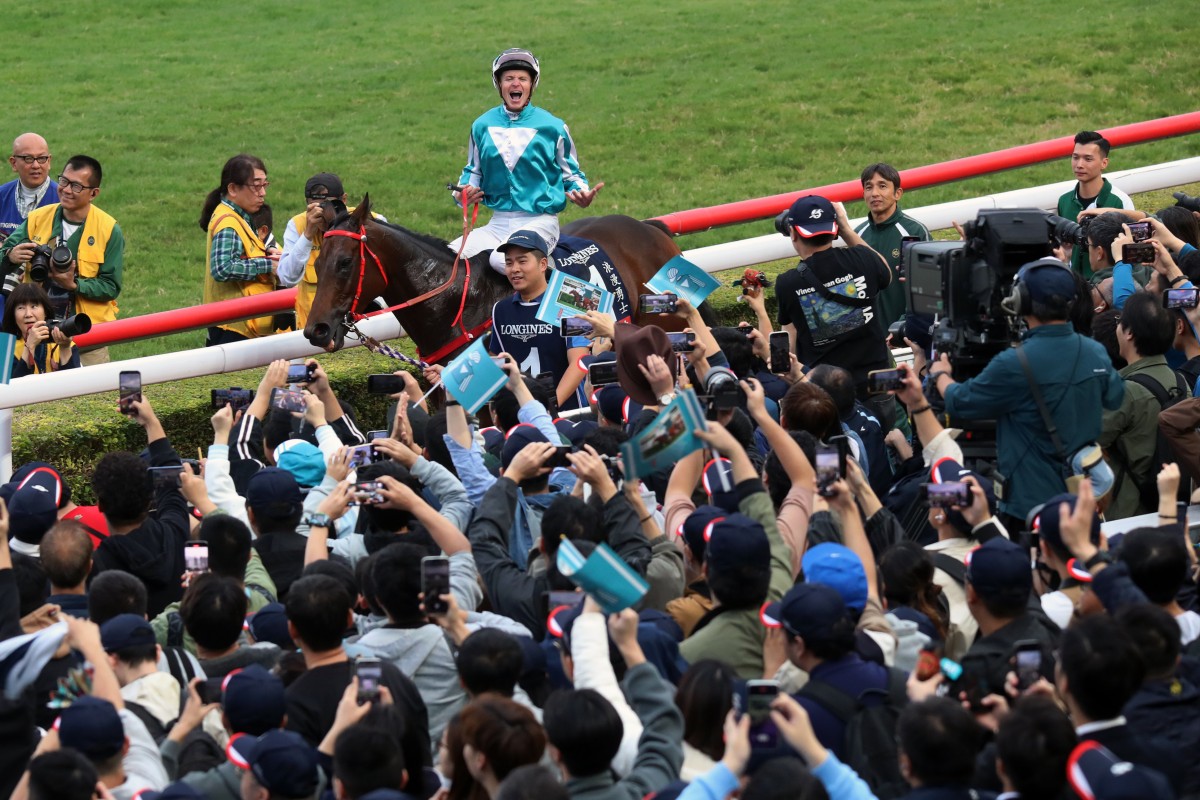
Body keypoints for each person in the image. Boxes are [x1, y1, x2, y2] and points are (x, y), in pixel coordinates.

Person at [933, 258, 1124, 524]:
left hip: (1028, 508)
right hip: (1082, 502)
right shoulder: (1094, 351)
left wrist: (940, 374)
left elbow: (960, 402)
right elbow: (1115, 397)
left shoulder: (1013, 363)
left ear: (1020, 301)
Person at [452, 48, 602, 274]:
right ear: (499, 84)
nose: (515, 84)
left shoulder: (553, 126)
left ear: (532, 85)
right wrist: (461, 193)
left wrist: (582, 193)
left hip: (540, 222)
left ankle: (562, 288)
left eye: (522, 78)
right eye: (509, 78)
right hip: (497, 224)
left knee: (502, 261)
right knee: (448, 258)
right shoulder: (481, 125)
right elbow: (473, 172)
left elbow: (571, 176)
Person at [0, 154, 123, 365]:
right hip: (36, 331)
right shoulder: (38, 218)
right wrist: (10, 256)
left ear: (93, 193)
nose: (65, 189)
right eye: (64, 181)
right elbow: (5, 253)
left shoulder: (109, 229)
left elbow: (111, 286)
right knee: (29, 394)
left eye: (76, 186)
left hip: (86, 332)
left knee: (93, 394)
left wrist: (74, 284)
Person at [772, 194, 891, 397]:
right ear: (834, 229)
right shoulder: (862, 258)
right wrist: (845, 228)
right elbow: (886, 274)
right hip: (880, 383)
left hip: (827, 393)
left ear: (793, 233)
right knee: (889, 429)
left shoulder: (788, 283)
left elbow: (789, 346)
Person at [1098, 291, 1183, 520]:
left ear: (1129, 333)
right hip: (1174, 506)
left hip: (1129, 515)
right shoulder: (1181, 381)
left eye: (1119, 322)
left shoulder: (1124, 391)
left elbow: (1087, 443)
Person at [488, 231, 589, 409]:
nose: (515, 269)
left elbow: (579, 361)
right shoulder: (500, 310)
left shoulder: (572, 304)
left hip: (567, 414)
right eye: (509, 263)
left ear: (543, 264)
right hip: (520, 415)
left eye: (522, 261)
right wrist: (450, 376)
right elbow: (496, 361)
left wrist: (550, 406)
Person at [198, 154, 280, 346]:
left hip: (241, 323)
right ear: (233, 189)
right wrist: (269, 265)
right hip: (233, 328)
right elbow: (222, 268)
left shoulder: (241, 217)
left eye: (264, 185)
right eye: (256, 186)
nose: (262, 193)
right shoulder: (228, 223)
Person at [853, 162, 930, 328]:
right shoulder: (856, 235)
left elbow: (927, 289)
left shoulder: (915, 232)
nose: (875, 193)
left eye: (882, 186)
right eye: (869, 187)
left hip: (907, 333)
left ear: (898, 193)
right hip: (870, 341)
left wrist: (902, 328)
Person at [1057, 131, 1134, 279]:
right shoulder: (1064, 201)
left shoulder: (1120, 201)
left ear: (1104, 163)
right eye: (1075, 157)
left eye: (1088, 159)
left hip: (1110, 285)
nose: (1079, 165)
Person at [0, 282, 79, 376]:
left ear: (45, 311)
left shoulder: (66, 343)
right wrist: (29, 346)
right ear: (13, 315)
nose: (28, 314)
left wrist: (65, 348)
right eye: (21, 308)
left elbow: (74, 386)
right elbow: (11, 389)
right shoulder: (4, 348)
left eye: (34, 306)